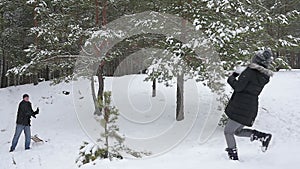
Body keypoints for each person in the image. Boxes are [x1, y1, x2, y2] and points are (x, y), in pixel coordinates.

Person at [224, 49, 274, 160]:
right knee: (237, 131)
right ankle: (262, 136)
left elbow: (238, 87)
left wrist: (233, 76)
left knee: (228, 132)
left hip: (241, 105)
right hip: (250, 106)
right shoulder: (264, 76)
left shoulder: (250, 72)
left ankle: (233, 156)